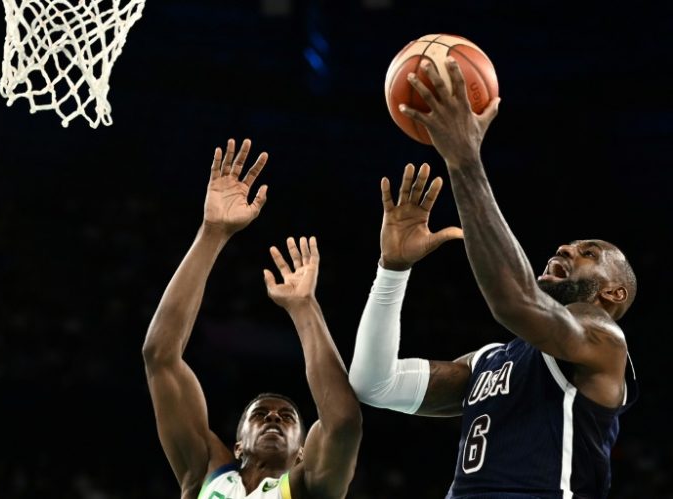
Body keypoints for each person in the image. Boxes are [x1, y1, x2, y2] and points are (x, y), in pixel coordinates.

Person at [348, 57, 638, 498]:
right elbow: (375, 384)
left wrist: (464, 159)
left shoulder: (604, 342)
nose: (564, 249)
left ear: (613, 292)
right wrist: (393, 270)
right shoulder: (488, 361)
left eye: (589, 254)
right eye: (568, 246)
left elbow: (516, 303)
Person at [142, 138, 362, 499]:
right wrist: (212, 232)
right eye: (260, 414)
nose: (274, 417)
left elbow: (343, 423)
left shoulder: (310, 486)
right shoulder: (206, 473)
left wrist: (305, 307)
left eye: (288, 417)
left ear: (303, 451)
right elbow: (159, 356)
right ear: (239, 444)